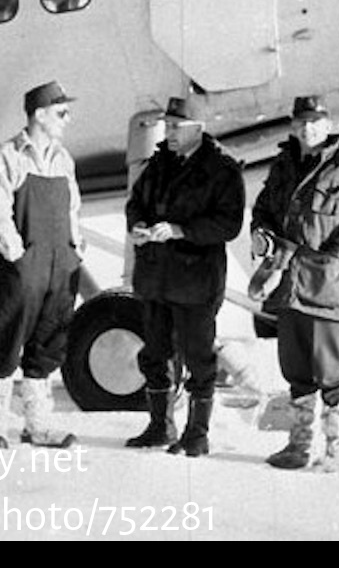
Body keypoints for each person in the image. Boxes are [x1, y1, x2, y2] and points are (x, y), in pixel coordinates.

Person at [251, 95, 339, 472]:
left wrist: (337, 252)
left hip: (330, 287)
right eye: (301, 122)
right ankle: (298, 446)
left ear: (328, 125)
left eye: (315, 121)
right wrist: (261, 235)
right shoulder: (284, 166)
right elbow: (264, 209)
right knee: (296, 370)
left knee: (331, 372)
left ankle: (338, 449)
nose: (308, 128)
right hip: (290, 286)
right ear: (293, 127)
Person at [124, 96, 244, 458]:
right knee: (155, 354)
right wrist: (139, 227)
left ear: (197, 129)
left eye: (176, 127)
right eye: (168, 126)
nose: (169, 133)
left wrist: (179, 230)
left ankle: (196, 434)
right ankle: (160, 425)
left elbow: (228, 223)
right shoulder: (160, 163)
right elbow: (136, 203)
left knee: (198, 359)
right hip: (157, 279)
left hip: (195, 284)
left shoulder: (221, 170)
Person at [0, 80, 84, 449]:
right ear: (39, 114)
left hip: (60, 267)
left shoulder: (63, 159)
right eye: (61, 112)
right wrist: (18, 255)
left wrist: (75, 251)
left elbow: (73, 210)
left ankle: (37, 425)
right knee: (7, 342)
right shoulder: (7, 156)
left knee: (48, 346)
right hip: (23, 269)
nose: (67, 119)